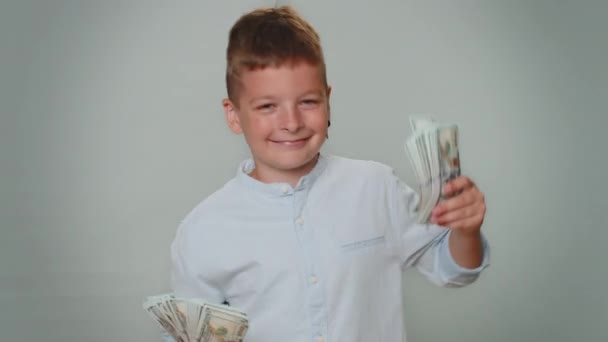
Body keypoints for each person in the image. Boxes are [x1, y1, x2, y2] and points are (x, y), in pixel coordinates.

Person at [169, 5, 489, 342]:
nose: (291, 122)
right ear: (233, 115)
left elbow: (453, 271)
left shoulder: (376, 188)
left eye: (308, 102)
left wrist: (466, 231)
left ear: (328, 100)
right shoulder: (203, 231)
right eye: (267, 106)